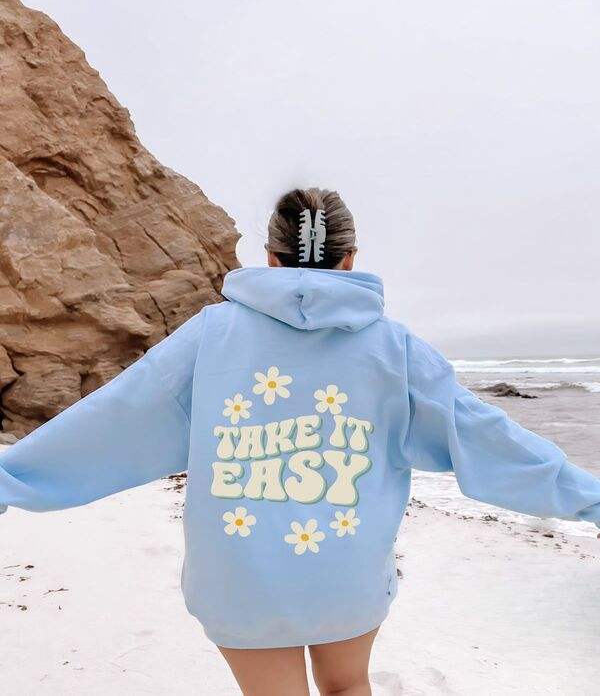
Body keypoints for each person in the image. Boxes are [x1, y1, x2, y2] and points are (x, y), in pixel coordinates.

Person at [1, 187, 599, 696]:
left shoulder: (210, 335)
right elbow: (486, 435)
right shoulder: (393, 347)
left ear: (271, 258)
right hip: (346, 572)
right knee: (349, 687)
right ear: (349, 259)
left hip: (239, 581)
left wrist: (12, 478)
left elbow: (115, 418)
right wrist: (586, 497)